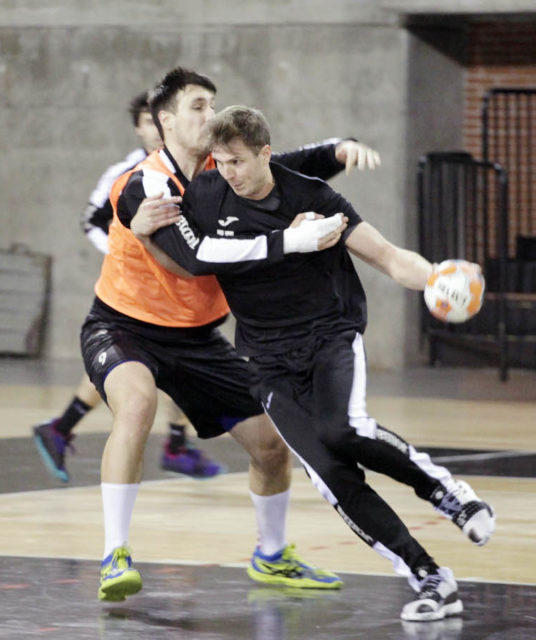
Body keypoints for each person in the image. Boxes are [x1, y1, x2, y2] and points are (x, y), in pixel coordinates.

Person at [131, 104, 495, 622]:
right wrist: (142, 229)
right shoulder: (207, 194)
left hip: (329, 337)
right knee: (330, 475)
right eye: (220, 162)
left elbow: (388, 257)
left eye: (237, 161)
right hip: (266, 359)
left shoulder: (312, 196)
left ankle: (446, 493)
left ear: (265, 154)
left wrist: (437, 276)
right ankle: (430, 578)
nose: (228, 172)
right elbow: (189, 260)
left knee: (343, 430)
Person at [86, 67, 377, 602]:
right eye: (198, 106)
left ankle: (272, 556)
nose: (210, 115)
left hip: (197, 338)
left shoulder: (222, 174)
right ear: (165, 120)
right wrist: (289, 242)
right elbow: (195, 258)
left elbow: (283, 164)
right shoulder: (144, 184)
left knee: (271, 445)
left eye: (213, 104)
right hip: (124, 327)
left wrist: (338, 150)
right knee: (137, 406)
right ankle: (114, 555)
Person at [33, 91, 222, 483]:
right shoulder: (127, 173)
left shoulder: (199, 169)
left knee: (174, 362)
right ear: (139, 128)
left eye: (158, 120)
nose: (155, 129)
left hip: (181, 291)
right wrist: (127, 249)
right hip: (132, 289)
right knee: (131, 368)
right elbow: (91, 220)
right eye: (147, 122)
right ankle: (68, 429)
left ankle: (172, 443)